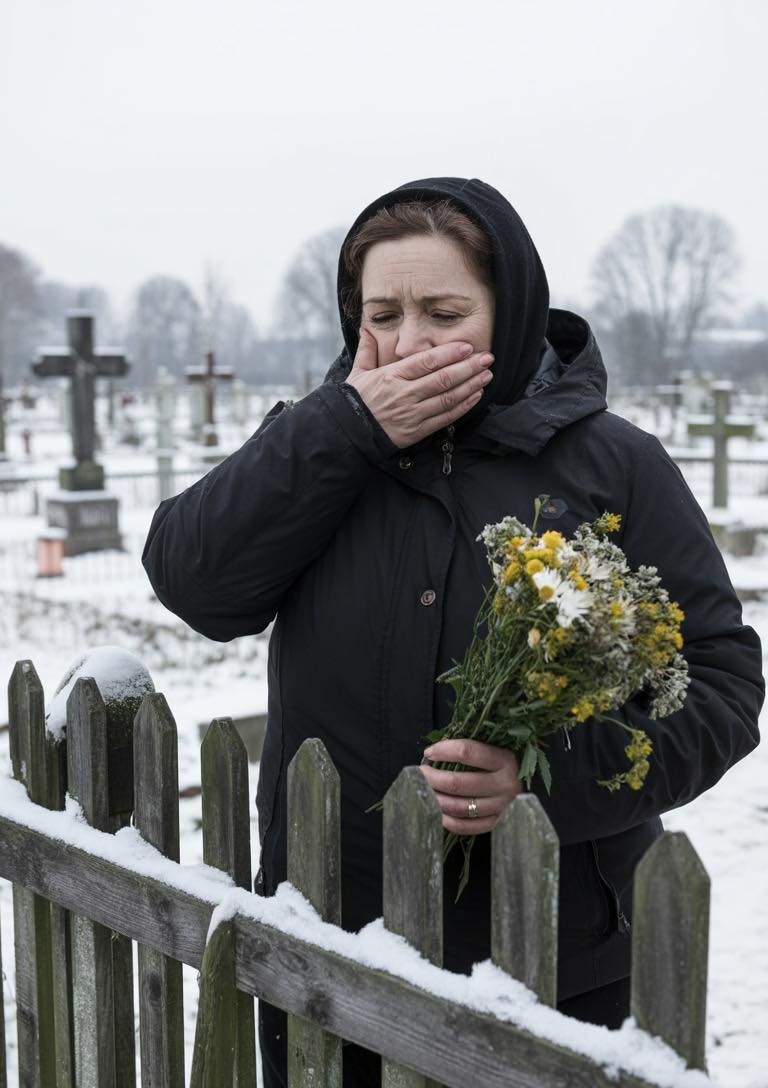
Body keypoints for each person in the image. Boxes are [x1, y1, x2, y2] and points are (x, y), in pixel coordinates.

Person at [142, 177, 764, 1086]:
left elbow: (722, 684)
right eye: (381, 313)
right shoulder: (319, 450)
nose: (409, 343)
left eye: (444, 312)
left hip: (558, 958)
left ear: (510, 316)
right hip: (332, 942)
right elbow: (194, 583)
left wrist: (554, 778)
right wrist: (345, 429)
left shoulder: (614, 462)